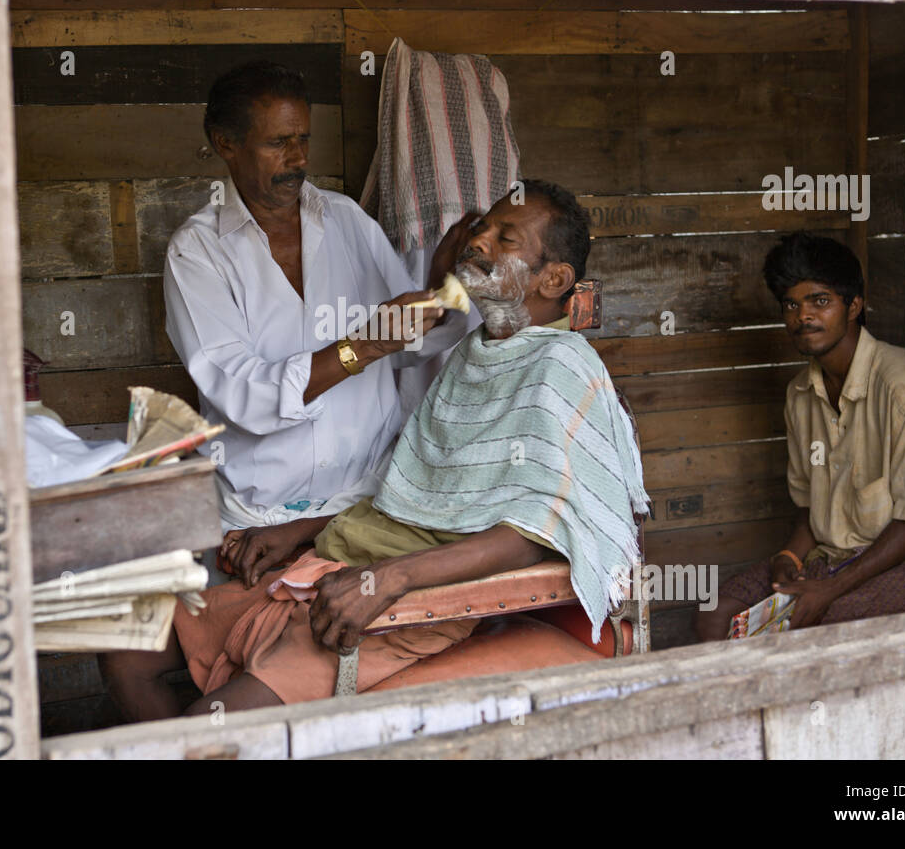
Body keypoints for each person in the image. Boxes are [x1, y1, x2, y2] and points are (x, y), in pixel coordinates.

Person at [101, 180, 648, 720]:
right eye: (482, 228)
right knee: (126, 650)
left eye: (507, 239)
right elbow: (421, 499)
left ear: (554, 278)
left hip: (408, 600)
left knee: (206, 728)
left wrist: (389, 580)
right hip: (345, 553)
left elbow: (533, 533)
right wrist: (298, 531)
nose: (478, 242)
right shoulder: (475, 354)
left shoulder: (559, 368)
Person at [160, 59, 474, 567]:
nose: (298, 158)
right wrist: (364, 345)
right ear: (226, 144)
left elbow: (409, 349)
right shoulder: (197, 253)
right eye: (277, 142)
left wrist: (442, 292)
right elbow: (244, 394)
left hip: (363, 503)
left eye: (304, 138)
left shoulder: (347, 220)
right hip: (257, 517)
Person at [697, 232, 905, 641]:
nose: (803, 316)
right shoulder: (799, 394)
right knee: (715, 611)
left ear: (854, 306)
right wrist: (787, 555)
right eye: (791, 305)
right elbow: (810, 509)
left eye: (820, 301)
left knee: (811, 627)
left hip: (903, 568)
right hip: (825, 560)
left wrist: (830, 588)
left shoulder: (900, 386)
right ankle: (741, 706)